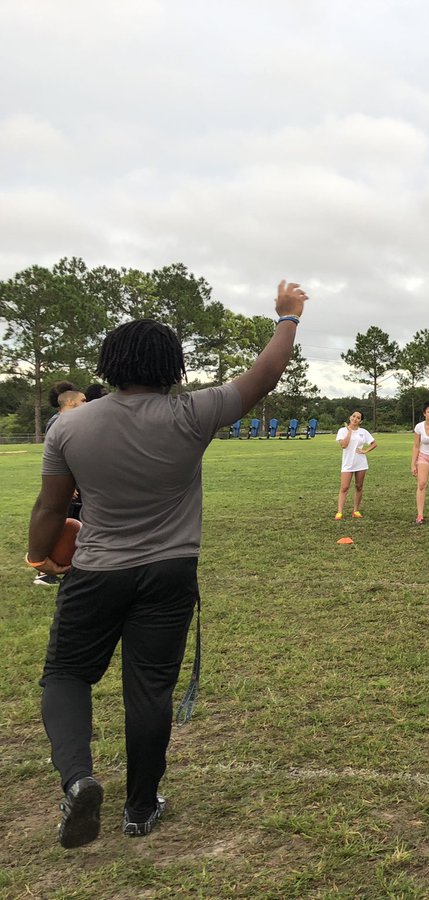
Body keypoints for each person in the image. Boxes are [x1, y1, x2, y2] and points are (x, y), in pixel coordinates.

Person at [25, 280, 308, 848]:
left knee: (66, 674)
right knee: (149, 691)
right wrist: (287, 319)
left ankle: (78, 778)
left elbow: (52, 506)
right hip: (171, 572)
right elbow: (264, 376)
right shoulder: (193, 413)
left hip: (97, 569)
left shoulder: (70, 425)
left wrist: (39, 556)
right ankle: (139, 809)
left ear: (110, 363)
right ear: (172, 366)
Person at [35, 389, 88, 587]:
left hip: (73, 483)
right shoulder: (58, 422)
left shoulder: (72, 422)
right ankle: (44, 572)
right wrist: (70, 483)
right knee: (61, 525)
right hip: (65, 485)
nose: (87, 403)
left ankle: (69, 565)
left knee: (74, 524)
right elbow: (55, 459)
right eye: (83, 400)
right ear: (71, 402)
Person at [335, 411, 376, 520]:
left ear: (361, 421)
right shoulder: (342, 431)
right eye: (353, 416)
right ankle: (339, 512)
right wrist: (349, 432)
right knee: (344, 487)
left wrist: (365, 451)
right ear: (350, 417)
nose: (355, 419)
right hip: (348, 463)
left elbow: (374, 444)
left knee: (359, 486)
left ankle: (356, 510)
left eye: (358, 418)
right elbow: (344, 445)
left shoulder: (363, 432)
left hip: (360, 463)